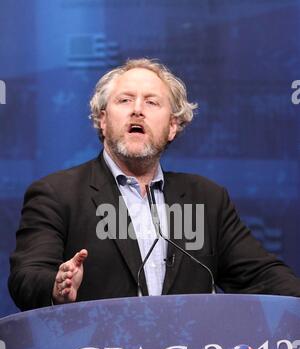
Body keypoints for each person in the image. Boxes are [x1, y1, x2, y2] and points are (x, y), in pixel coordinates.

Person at [8, 58, 300, 311]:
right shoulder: (57, 194)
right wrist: (56, 287)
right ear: (102, 120)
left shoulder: (207, 199)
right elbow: (26, 276)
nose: (137, 110)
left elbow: (262, 275)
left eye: (151, 102)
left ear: (173, 126)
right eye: (124, 100)